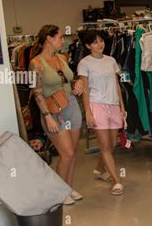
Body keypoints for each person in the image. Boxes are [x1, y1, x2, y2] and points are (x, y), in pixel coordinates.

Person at [29, 25, 85, 205]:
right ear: (49, 39)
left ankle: (68, 188)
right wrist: (47, 116)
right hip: (53, 111)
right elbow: (37, 92)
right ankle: (58, 192)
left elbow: (68, 80)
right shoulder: (36, 64)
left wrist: (78, 84)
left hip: (72, 106)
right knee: (66, 154)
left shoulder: (62, 57)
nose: (64, 41)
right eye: (61, 37)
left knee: (72, 153)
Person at [78, 30, 125, 196]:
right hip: (96, 105)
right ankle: (117, 181)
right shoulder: (85, 63)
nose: (100, 44)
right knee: (105, 146)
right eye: (95, 42)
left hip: (113, 105)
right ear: (88, 45)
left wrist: (122, 106)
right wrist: (88, 113)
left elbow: (117, 84)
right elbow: (84, 89)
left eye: (101, 41)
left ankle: (99, 169)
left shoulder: (111, 60)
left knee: (112, 145)